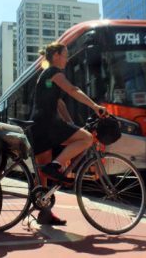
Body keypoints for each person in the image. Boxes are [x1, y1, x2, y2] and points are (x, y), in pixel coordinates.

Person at [30, 42, 106, 226]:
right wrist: (95, 107)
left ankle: (44, 213)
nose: (67, 58)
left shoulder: (46, 75)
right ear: (56, 55)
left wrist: (70, 124)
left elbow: (60, 103)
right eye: (65, 54)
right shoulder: (54, 72)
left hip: (38, 124)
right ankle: (56, 165)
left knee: (42, 177)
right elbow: (73, 90)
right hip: (47, 123)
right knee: (87, 138)